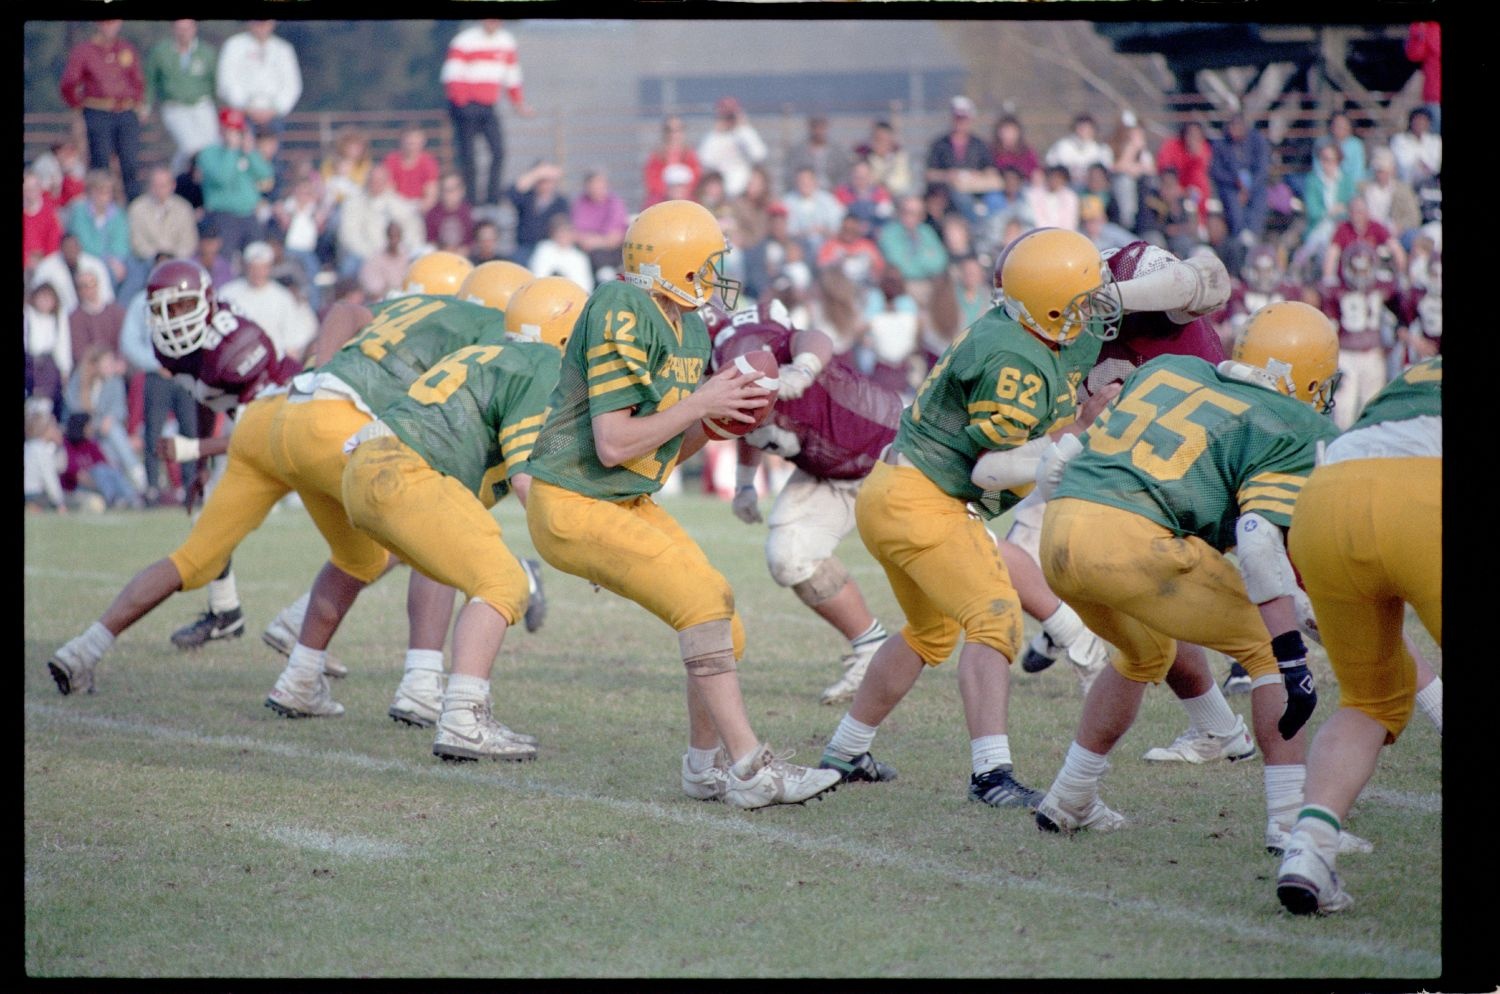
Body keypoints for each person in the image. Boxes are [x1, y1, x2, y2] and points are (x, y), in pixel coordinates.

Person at [522, 199, 841, 809]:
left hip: (623, 499)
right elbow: (614, 444)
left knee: (726, 621)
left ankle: (704, 768)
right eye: (707, 263)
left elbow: (662, 449)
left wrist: (719, 420)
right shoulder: (622, 305)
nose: (717, 274)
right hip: (573, 499)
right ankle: (752, 768)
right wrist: (700, 403)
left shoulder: (689, 326)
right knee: (700, 604)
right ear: (674, 264)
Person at [1030, 301, 1365, 858]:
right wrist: (1290, 636)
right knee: (1264, 649)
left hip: (1061, 532)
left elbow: (1056, 469)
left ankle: (1069, 797)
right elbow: (1258, 544)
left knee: (1143, 656)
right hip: (1134, 540)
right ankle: (1289, 822)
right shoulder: (1292, 423)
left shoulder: (1171, 370)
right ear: (1307, 377)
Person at [816, 228, 1124, 807]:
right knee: (996, 619)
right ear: (1052, 304)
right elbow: (989, 470)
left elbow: (1105, 322)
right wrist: (1079, 430)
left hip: (894, 489)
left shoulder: (1037, 327)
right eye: (1082, 300)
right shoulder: (1015, 358)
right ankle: (990, 775)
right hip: (924, 497)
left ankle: (845, 751)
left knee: (931, 634)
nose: (1093, 310)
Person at [258, 254, 543, 717]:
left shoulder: (417, 310)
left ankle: (299, 675)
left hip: (297, 420)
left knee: (359, 555)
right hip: (349, 423)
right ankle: (421, 685)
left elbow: (344, 311)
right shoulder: (489, 330)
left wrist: (322, 377)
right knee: (441, 528)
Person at [341, 276, 584, 760]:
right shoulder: (542, 365)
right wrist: (579, 543)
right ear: (564, 333)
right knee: (504, 582)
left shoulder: (493, 350)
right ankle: (462, 718)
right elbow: (524, 477)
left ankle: (423, 688)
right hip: (406, 470)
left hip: (366, 465)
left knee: (448, 568)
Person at [45, 257, 303, 697]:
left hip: (298, 433)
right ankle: (89, 649)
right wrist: (200, 463)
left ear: (204, 301)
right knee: (197, 550)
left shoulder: (239, 343)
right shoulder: (174, 349)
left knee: (363, 546)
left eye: (181, 307)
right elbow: (207, 395)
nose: (172, 320)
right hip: (260, 444)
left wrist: (195, 450)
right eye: (163, 309)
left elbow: (267, 429)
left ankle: (303, 636)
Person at [1276, 356, 1440, 914]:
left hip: (1326, 499)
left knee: (1368, 700)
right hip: (1424, 493)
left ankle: (1309, 851)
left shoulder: (1415, 372)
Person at [709, 301, 902, 704]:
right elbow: (751, 423)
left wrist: (804, 367)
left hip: (892, 452)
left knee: (959, 556)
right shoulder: (716, 364)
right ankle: (869, 649)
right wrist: (745, 482)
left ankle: (1064, 634)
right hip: (829, 471)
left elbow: (811, 339)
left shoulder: (742, 343)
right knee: (790, 555)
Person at [441, 19, 534, 208]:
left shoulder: (506, 42)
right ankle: (471, 200)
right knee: (469, 156)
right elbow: (452, 75)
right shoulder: (465, 40)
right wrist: (462, 103)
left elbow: (512, 76)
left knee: (498, 151)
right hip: (466, 106)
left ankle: (492, 198)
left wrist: (518, 103)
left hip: (488, 105)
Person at [59, 19, 146, 202]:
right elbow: (69, 82)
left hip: (126, 111)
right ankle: (102, 207)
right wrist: (78, 105)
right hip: (98, 111)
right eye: (106, 23)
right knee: (101, 164)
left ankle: (134, 209)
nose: (110, 27)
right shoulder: (85, 51)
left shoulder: (126, 48)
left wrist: (137, 103)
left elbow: (138, 80)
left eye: (113, 23)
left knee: (130, 164)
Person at [198, 108, 273, 263]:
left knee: (257, 257)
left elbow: (265, 176)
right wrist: (231, 150)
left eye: (237, 131)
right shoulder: (209, 153)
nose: (234, 135)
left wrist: (250, 152)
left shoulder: (247, 152)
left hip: (249, 215)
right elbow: (222, 178)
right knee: (224, 260)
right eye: (230, 130)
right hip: (223, 216)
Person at [144, 20, 218, 175]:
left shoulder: (206, 52)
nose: (184, 32)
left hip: (202, 105)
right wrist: (146, 104)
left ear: (195, 28)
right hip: (174, 107)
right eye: (180, 28)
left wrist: (219, 110)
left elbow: (214, 84)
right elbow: (150, 81)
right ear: (173, 29)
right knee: (190, 147)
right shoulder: (161, 52)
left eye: (187, 28)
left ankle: (200, 185)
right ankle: (175, 179)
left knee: (212, 148)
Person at [220, 241, 309, 362]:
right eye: (254, 268)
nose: (258, 273)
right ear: (246, 267)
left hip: (274, 364)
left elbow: (292, 343)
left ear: (270, 267)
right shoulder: (227, 294)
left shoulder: (283, 297)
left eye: (262, 268)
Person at [216, 20, 302, 137]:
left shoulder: (283, 49)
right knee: (241, 154)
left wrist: (276, 109)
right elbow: (226, 81)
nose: (261, 26)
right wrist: (245, 106)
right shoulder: (234, 45)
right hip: (241, 114)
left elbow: (292, 85)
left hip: (274, 115)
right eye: (258, 22)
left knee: (271, 154)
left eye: (265, 23)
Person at [126, 166, 199, 299]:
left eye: (163, 185)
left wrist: (171, 257)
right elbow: (137, 242)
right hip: (147, 260)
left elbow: (188, 242)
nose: (159, 190)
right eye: (155, 185)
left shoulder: (184, 208)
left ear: (172, 185)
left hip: (178, 259)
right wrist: (157, 257)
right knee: (133, 277)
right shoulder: (137, 208)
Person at [924, 96, 997, 225]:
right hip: (948, 193)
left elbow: (990, 171)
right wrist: (948, 176)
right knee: (959, 197)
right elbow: (929, 174)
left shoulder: (979, 145)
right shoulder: (940, 145)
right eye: (957, 118)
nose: (960, 122)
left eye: (964, 119)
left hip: (977, 193)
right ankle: (977, 227)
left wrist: (977, 177)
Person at [65, 169, 131, 294]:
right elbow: (81, 241)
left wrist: (116, 260)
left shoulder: (118, 215)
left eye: (107, 192)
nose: (103, 197)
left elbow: (121, 244)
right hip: (85, 259)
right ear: (90, 192)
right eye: (99, 192)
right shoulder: (79, 211)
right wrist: (106, 260)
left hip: (113, 262)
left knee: (132, 269)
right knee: (103, 272)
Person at [1210, 113, 1271, 245]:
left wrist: (1249, 188)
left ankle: (1252, 234)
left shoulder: (1257, 141)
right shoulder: (1222, 144)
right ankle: (1239, 236)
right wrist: (1234, 182)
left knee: (1260, 198)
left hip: (1254, 185)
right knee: (1232, 201)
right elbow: (1216, 170)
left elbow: (1262, 168)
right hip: (1231, 186)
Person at [696, 97, 768, 201]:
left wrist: (743, 128)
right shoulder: (714, 137)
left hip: (744, 191)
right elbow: (704, 159)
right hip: (720, 190)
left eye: (730, 115)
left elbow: (759, 154)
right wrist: (716, 132)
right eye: (724, 115)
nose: (728, 119)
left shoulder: (744, 133)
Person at [506, 160, 571, 265]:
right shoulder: (527, 198)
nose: (545, 185)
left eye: (548, 180)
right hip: (525, 247)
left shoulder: (561, 202)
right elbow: (511, 193)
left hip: (550, 248)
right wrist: (537, 173)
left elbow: (564, 228)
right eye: (541, 180)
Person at [569, 169, 628, 279]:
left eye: (599, 185)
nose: (596, 189)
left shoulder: (615, 203)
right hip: (585, 252)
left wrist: (593, 241)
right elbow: (574, 233)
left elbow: (614, 238)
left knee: (601, 259)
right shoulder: (580, 203)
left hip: (611, 253)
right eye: (593, 185)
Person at [1154, 121, 1212, 224]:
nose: (1193, 138)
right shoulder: (1171, 145)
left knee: (1200, 190)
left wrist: (1195, 155)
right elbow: (1164, 167)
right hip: (1169, 183)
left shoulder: (1203, 149)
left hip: (1188, 187)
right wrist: (1178, 188)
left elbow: (1198, 174)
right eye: (1191, 134)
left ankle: (1200, 223)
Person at [642, 116, 702, 209]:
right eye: (669, 130)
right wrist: (671, 192)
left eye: (678, 130)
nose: (673, 134)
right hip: (662, 201)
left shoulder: (690, 156)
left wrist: (681, 191)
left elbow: (696, 179)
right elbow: (652, 183)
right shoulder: (656, 157)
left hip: (687, 200)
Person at [786, 114, 853, 193]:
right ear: (810, 128)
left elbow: (843, 174)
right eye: (815, 127)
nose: (818, 131)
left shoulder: (837, 151)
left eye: (822, 127)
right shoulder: (798, 151)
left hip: (831, 193)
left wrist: (835, 191)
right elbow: (790, 175)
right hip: (803, 193)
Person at [383, 125, 442, 215]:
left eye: (415, 142)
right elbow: (389, 189)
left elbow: (431, 195)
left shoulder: (429, 162)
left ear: (423, 142)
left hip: (419, 207)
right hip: (397, 206)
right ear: (402, 141)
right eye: (409, 142)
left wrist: (418, 210)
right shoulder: (391, 160)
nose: (412, 146)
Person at [1045, 113, 1113, 189]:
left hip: (1092, 190)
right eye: (1081, 127)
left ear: (1093, 130)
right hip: (1068, 187)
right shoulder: (1062, 146)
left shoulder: (1101, 149)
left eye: (1087, 128)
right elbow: (1054, 168)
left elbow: (1105, 171)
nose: (1083, 131)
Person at [24, 170, 66, 276]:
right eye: (27, 189)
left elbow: (55, 241)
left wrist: (44, 261)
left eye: (33, 188)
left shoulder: (50, 211)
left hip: (48, 262)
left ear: (39, 188)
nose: (30, 192)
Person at [1388, 107, 1440, 187]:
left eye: (1423, 120)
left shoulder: (1435, 141)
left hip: (1432, 183)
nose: (1420, 123)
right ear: (1411, 121)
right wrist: (1419, 166)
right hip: (1407, 184)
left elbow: (1436, 164)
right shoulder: (1399, 140)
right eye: (1417, 120)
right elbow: (1403, 164)